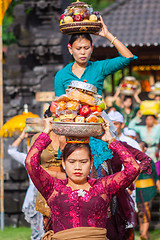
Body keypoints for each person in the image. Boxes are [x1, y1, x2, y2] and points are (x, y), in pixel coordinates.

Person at [25, 117, 140, 240]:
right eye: (72, 162)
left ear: (91, 163)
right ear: (63, 163)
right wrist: (46, 132)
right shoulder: (53, 187)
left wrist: (111, 141)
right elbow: (30, 163)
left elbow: (133, 168)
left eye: (83, 162)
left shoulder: (103, 186)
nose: (78, 167)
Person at [54, 16, 137, 97]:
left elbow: (127, 57)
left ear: (92, 48)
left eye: (86, 48)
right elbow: (59, 104)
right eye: (78, 49)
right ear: (70, 49)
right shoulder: (62, 75)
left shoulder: (99, 68)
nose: (83, 52)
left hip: (97, 110)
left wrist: (107, 35)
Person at [30, 106, 66, 232]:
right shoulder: (38, 138)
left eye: (59, 117)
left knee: (65, 221)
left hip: (65, 183)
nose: (56, 120)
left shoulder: (67, 136)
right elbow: (32, 161)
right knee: (47, 222)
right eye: (53, 117)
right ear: (46, 118)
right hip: (45, 184)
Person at [8, 128, 44, 240]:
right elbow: (11, 151)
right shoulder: (29, 159)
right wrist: (22, 136)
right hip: (34, 195)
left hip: (48, 193)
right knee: (36, 229)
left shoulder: (52, 158)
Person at [136, 142, 160, 240]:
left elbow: (155, 176)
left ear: (144, 149)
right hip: (137, 189)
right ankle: (144, 233)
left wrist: (158, 185)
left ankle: (143, 232)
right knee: (140, 211)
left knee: (145, 210)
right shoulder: (133, 161)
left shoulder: (149, 161)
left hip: (148, 189)